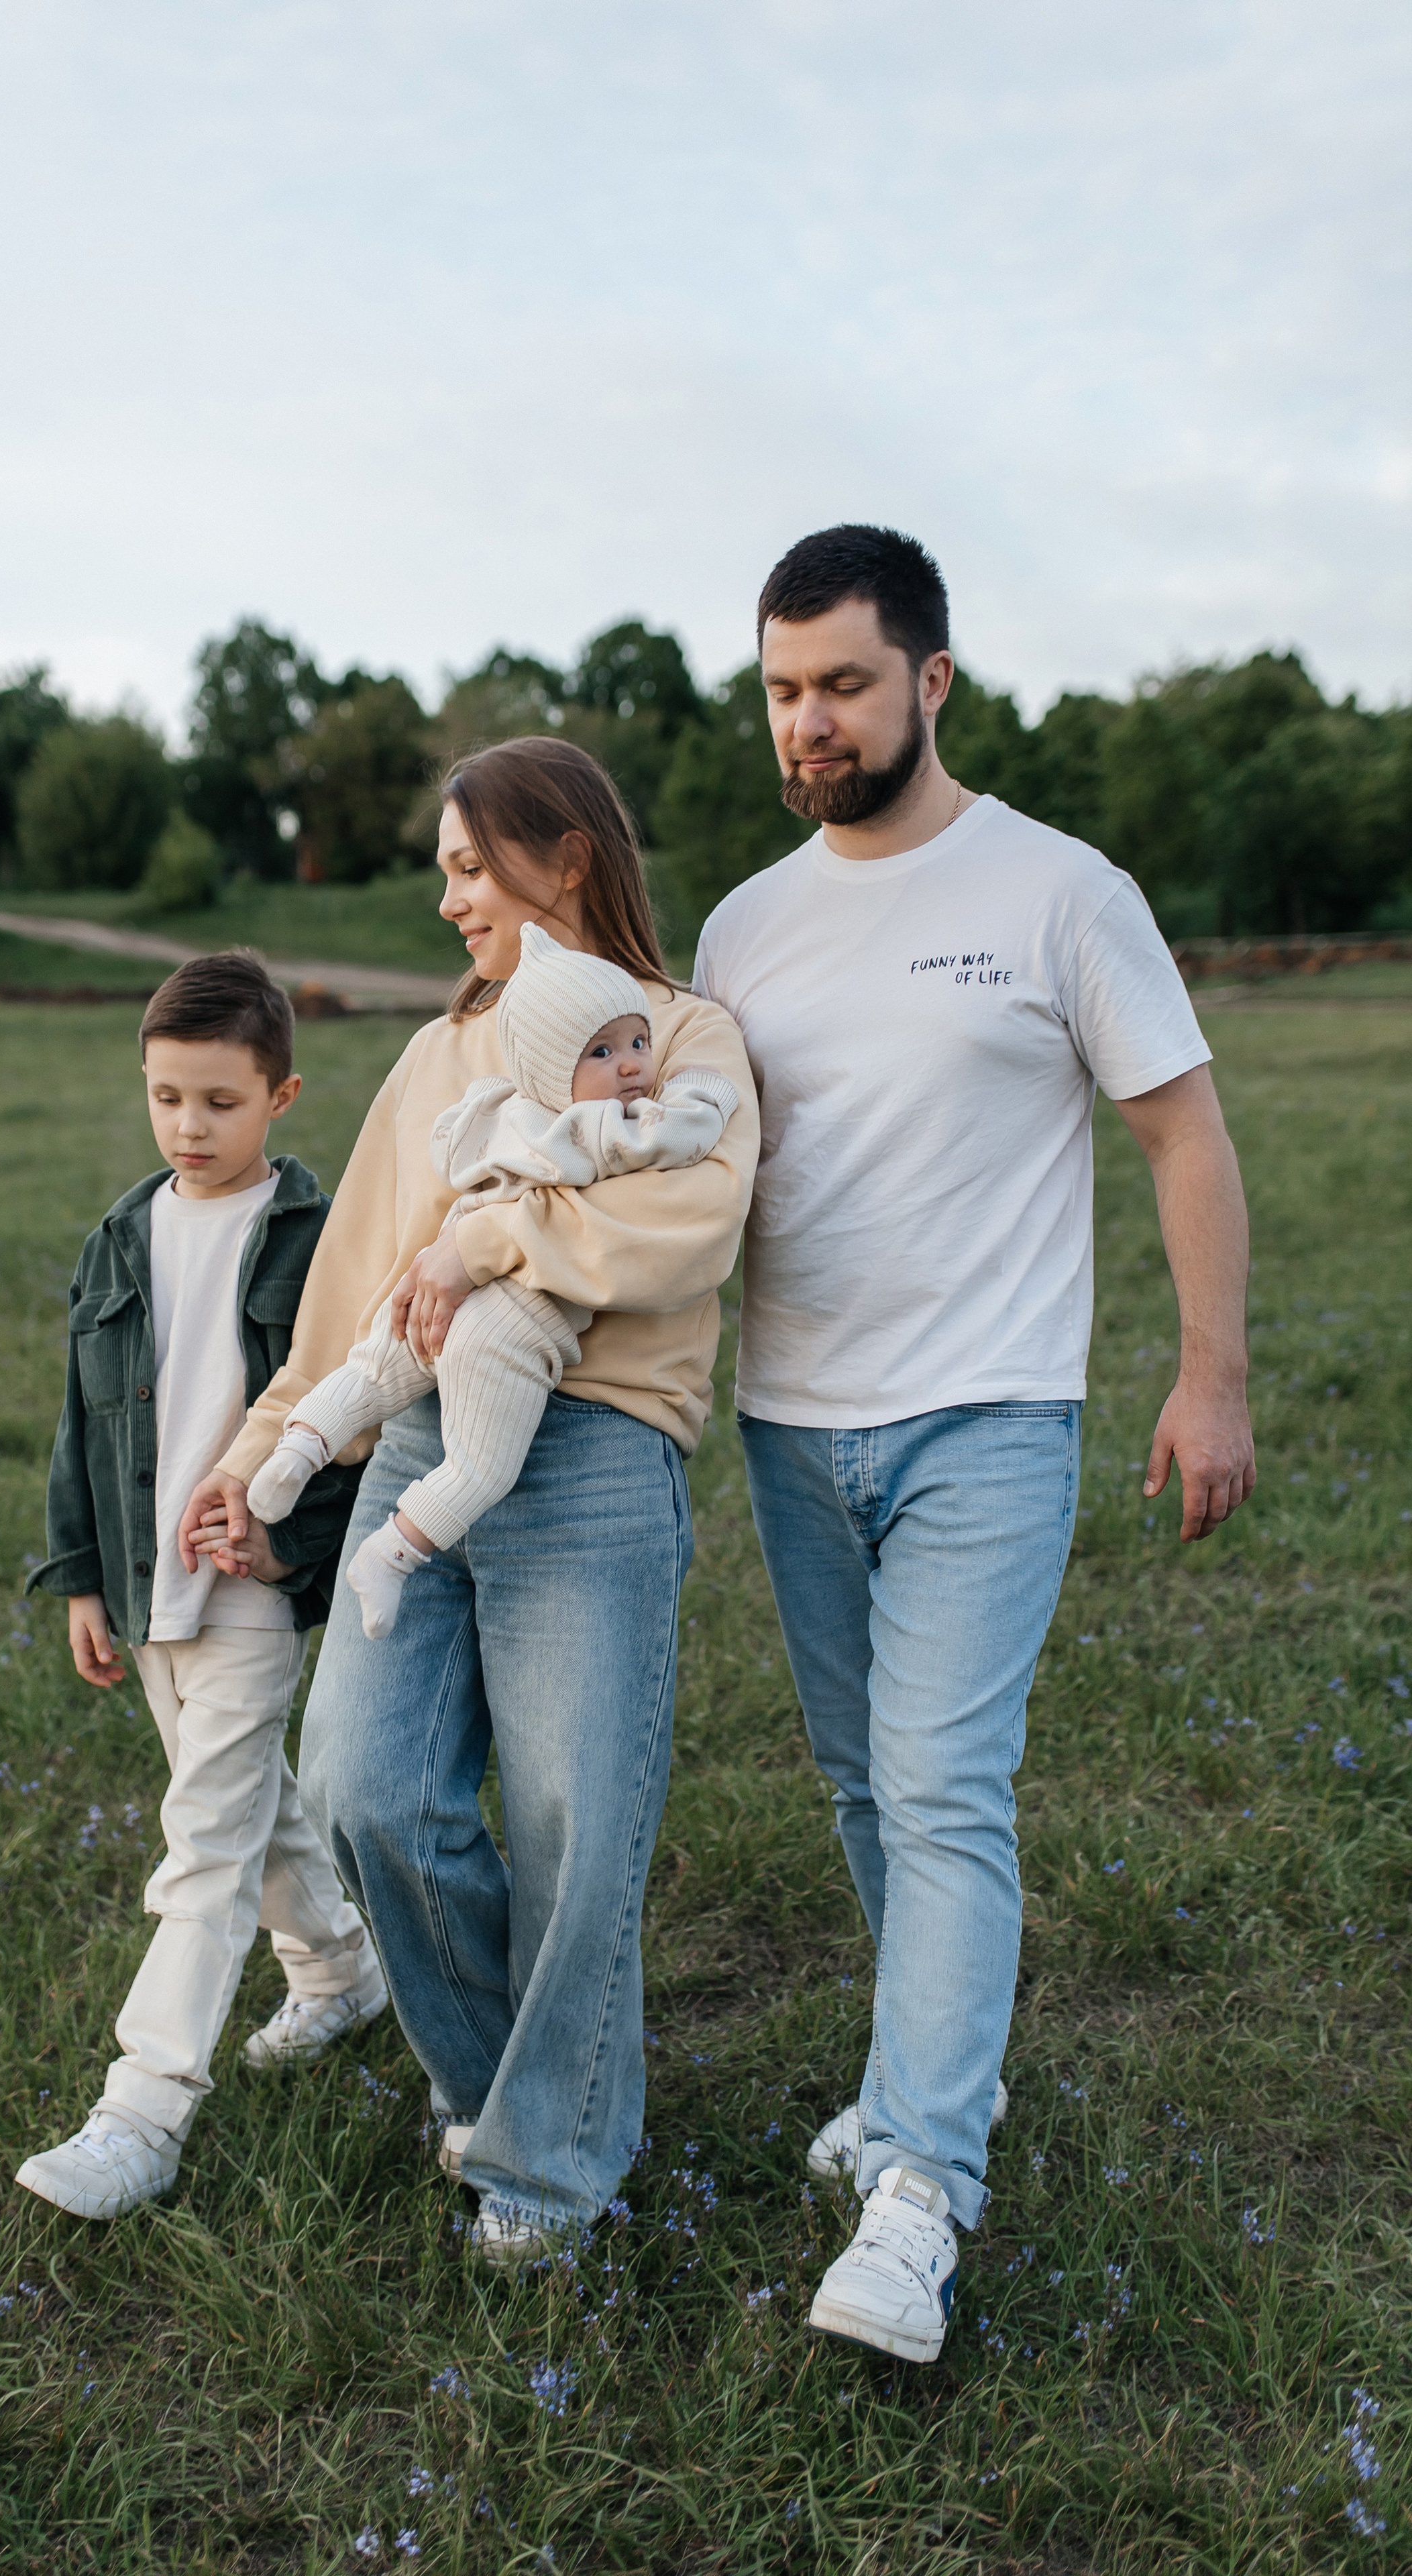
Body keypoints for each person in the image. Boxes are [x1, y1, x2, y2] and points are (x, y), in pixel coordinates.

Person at [694, 525, 1255, 2363]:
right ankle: (933, 2072)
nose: (811, 721)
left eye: (844, 683)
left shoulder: (1058, 891)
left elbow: (1182, 1131)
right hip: (793, 1427)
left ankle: (922, 2184)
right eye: (784, 690)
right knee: (867, 1790)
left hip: (991, 1420)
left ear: (931, 680)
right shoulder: (744, 926)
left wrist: (1213, 1376)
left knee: (943, 1788)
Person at [183, 737, 759, 2261]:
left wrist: (480, 1251)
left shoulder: (688, 1034)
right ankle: (513, 2079)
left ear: (561, 858)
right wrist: (258, 1460)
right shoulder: (443, 1057)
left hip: (597, 1446)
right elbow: (356, 1286)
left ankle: (549, 2163)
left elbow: (682, 1230)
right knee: (366, 1787)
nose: (444, 898)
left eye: (463, 864)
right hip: (415, 1441)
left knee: (574, 1813)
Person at [17, 951, 386, 2222]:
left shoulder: (319, 1238)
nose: (189, 1127)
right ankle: (339, 1971)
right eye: (167, 1098)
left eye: (220, 1102)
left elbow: (358, 1417)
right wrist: (81, 1578)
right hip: (144, 1582)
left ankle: (146, 2105)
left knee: (206, 1842)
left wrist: (295, 1547)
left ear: (281, 1097)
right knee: (247, 1801)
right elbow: (81, 1420)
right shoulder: (122, 1234)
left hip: (245, 1586)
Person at [233, 922, 737, 1638]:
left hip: (431, 1293)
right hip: (511, 1325)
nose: (629, 1066)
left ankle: (300, 1447)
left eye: (637, 1044)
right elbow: (677, 1133)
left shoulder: (503, 1114)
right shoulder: (597, 1129)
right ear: (552, 1069)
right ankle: (395, 1550)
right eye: (601, 1052)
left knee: (374, 1371)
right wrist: (701, 1088)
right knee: (479, 1466)